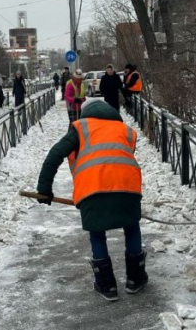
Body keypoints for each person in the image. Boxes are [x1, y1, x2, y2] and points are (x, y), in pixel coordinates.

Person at [36, 100, 148, 302]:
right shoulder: (125, 130)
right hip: (128, 187)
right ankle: (136, 279)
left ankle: (107, 285)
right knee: (132, 227)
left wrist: (44, 189)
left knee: (97, 233)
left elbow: (55, 153)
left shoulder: (81, 129)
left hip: (93, 189)